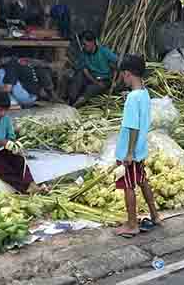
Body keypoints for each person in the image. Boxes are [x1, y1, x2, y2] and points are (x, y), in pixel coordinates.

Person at [114, 54, 162, 238]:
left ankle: (132, 223)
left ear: (127, 74)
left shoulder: (133, 98)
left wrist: (129, 153)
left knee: (128, 185)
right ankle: (155, 215)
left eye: (122, 75)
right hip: (140, 149)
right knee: (142, 180)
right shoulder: (144, 93)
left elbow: (132, 126)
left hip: (131, 151)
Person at [69, 31, 118, 106]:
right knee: (79, 76)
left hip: (104, 80)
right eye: (82, 44)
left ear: (92, 42)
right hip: (92, 78)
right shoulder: (83, 53)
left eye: (85, 44)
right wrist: (95, 81)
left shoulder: (103, 51)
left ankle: (76, 105)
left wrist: (116, 82)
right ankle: (71, 100)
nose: (83, 46)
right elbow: (85, 71)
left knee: (91, 88)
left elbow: (119, 63)